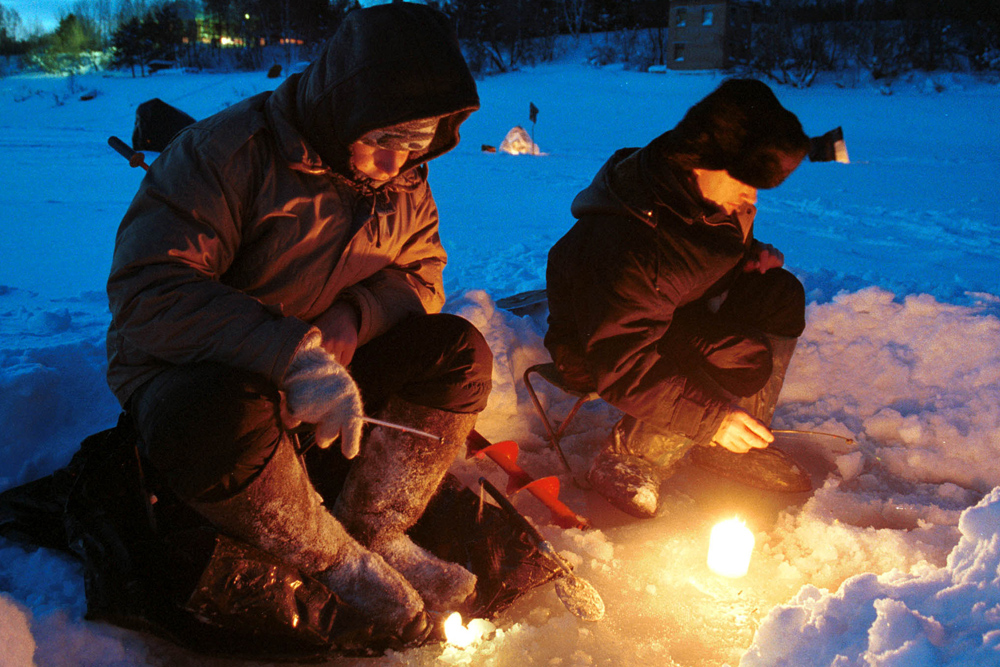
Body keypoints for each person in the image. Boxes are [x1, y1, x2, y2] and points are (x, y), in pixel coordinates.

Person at [105, 3, 489, 643]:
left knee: (458, 350)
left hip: (327, 366)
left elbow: (422, 274)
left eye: (417, 145)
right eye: (384, 141)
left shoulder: (404, 180)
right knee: (214, 421)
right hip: (199, 371)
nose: (396, 166)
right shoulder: (225, 154)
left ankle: (375, 528)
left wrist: (354, 316)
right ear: (346, 107)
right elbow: (150, 291)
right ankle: (334, 560)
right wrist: (291, 354)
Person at [544, 79, 813, 519]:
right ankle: (629, 459)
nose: (751, 197)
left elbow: (701, 249)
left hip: (669, 311)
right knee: (740, 359)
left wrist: (748, 258)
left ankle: (733, 444)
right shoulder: (632, 242)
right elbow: (621, 360)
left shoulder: (709, 193)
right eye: (746, 182)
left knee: (779, 295)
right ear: (702, 161)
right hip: (599, 341)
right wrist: (712, 418)